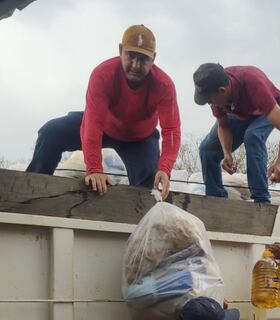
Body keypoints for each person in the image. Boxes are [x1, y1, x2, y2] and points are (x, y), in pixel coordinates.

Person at [26, 25, 181, 197]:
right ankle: (31, 190)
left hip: (139, 139)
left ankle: (143, 219)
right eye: (131, 56)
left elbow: (171, 130)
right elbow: (93, 121)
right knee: (51, 132)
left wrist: (165, 168)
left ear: (153, 59)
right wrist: (94, 168)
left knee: (150, 187)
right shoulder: (103, 74)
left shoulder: (164, 85)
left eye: (144, 59)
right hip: (104, 126)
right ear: (121, 50)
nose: (136, 65)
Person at [194, 63, 280, 203]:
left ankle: (261, 200)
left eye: (210, 100)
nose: (210, 104)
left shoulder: (253, 83)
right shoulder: (216, 95)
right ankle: (215, 199)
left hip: (266, 110)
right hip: (239, 113)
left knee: (252, 136)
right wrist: (227, 152)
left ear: (222, 91)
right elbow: (223, 126)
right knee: (207, 149)